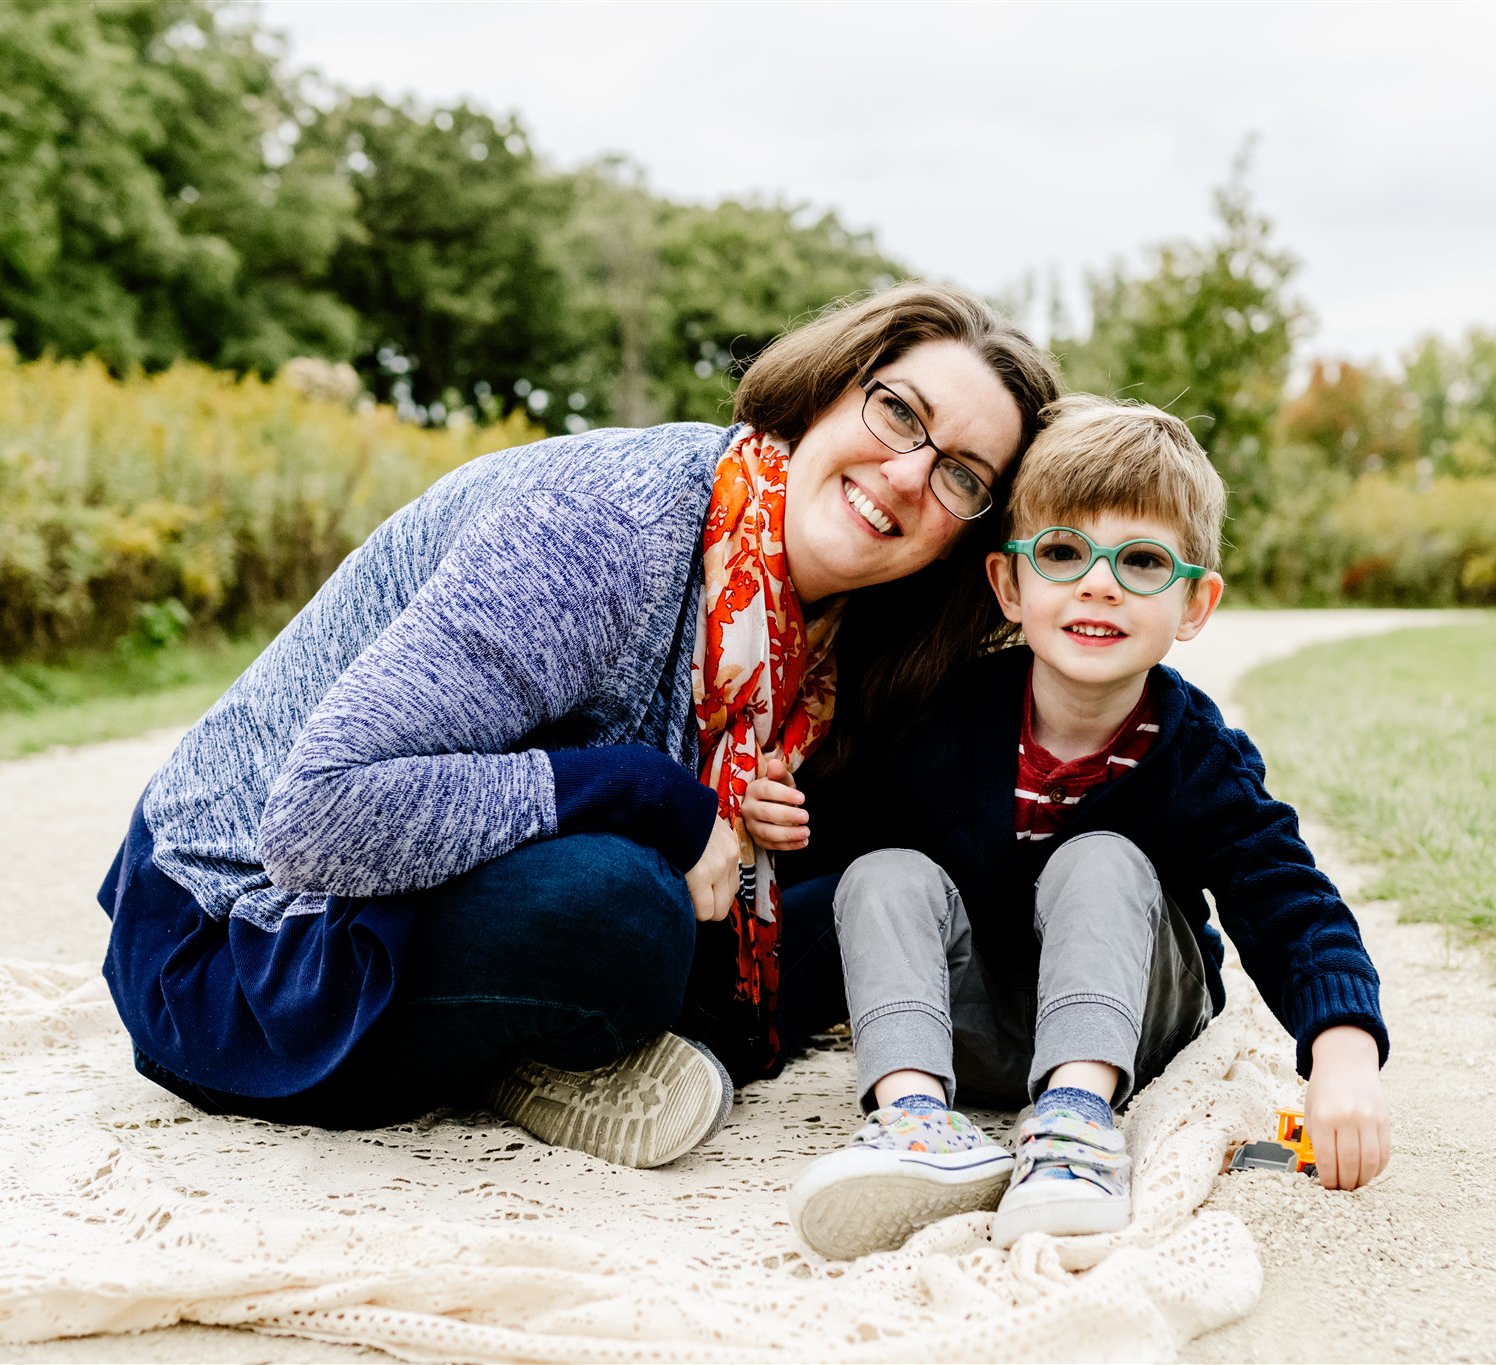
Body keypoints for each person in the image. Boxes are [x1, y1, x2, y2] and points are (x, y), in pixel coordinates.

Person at [95, 282, 1060, 1169]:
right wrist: (655, 796)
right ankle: (562, 1042)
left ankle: (629, 1038)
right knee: (621, 911)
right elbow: (312, 821)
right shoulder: (608, 528)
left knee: (865, 882)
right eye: (898, 412)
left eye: (962, 477)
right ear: (827, 389)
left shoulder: (806, 626)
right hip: (240, 938)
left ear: (969, 532)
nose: (904, 475)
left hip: (424, 892)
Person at [767, 395, 1391, 1260]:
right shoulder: (945, 722)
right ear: (1010, 586)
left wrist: (1344, 1052)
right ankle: (915, 1122)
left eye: (1141, 561)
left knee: (1100, 858)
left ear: (1195, 604)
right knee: (882, 872)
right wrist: (778, 820)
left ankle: (1076, 1125)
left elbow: (1291, 901)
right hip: (974, 1026)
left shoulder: (1197, 753)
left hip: (1138, 1016)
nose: (1098, 582)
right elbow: (829, 872)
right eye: (1062, 553)